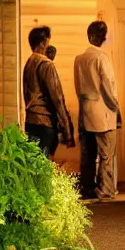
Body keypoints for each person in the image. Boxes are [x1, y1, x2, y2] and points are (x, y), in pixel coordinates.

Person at [74, 20, 121, 200]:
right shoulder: (101, 58)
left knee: (88, 154)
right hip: (103, 112)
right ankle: (105, 189)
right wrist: (115, 105)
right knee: (106, 153)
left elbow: (78, 87)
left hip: (86, 110)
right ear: (103, 37)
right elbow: (108, 85)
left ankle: (87, 188)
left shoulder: (79, 59)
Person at [23, 26, 75, 157]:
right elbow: (57, 98)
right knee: (43, 165)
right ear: (42, 42)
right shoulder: (46, 64)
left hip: (30, 121)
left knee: (33, 163)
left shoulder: (29, 62)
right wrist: (67, 131)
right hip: (44, 122)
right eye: (48, 40)